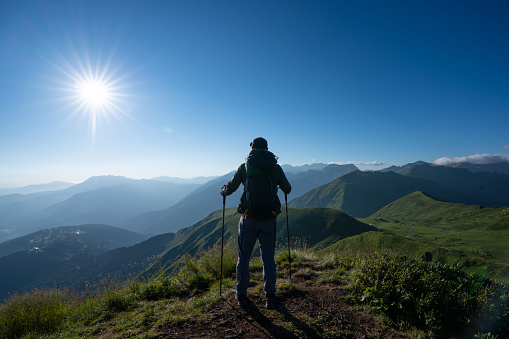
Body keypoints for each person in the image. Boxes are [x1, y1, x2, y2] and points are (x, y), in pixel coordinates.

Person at [220, 137, 291, 309]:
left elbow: (229, 189)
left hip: (248, 219)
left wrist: (222, 190)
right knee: (268, 259)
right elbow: (288, 189)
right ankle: (270, 296)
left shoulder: (244, 167)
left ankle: (241, 295)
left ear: (252, 149)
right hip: (269, 220)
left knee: (244, 257)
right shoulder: (275, 167)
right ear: (267, 149)